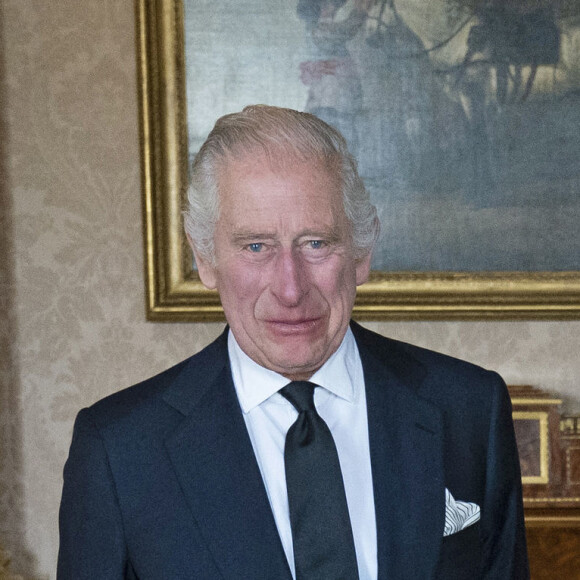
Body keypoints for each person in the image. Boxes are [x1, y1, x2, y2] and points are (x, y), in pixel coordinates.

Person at [58, 105, 529, 579]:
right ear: (204, 258)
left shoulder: (470, 409)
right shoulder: (119, 450)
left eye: (316, 243)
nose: (290, 288)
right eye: (256, 247)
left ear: (362, 251)